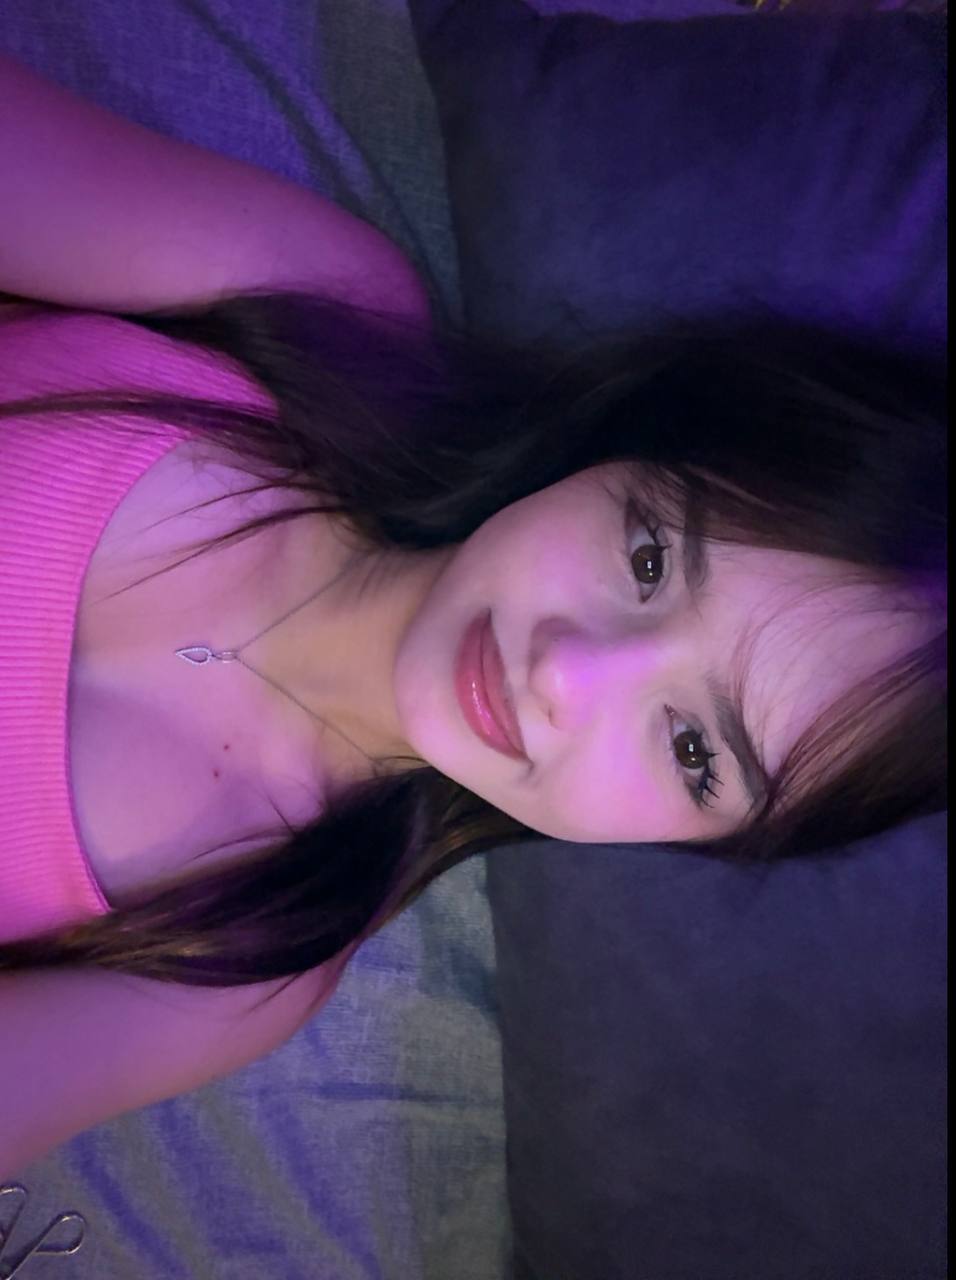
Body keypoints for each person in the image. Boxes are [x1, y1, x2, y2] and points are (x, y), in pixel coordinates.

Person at [0, 50, 946, 1002]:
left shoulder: (247, 958)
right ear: (634, 443)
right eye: (650, 559)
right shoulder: (324, 317)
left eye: (695, 753)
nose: (567, 672)